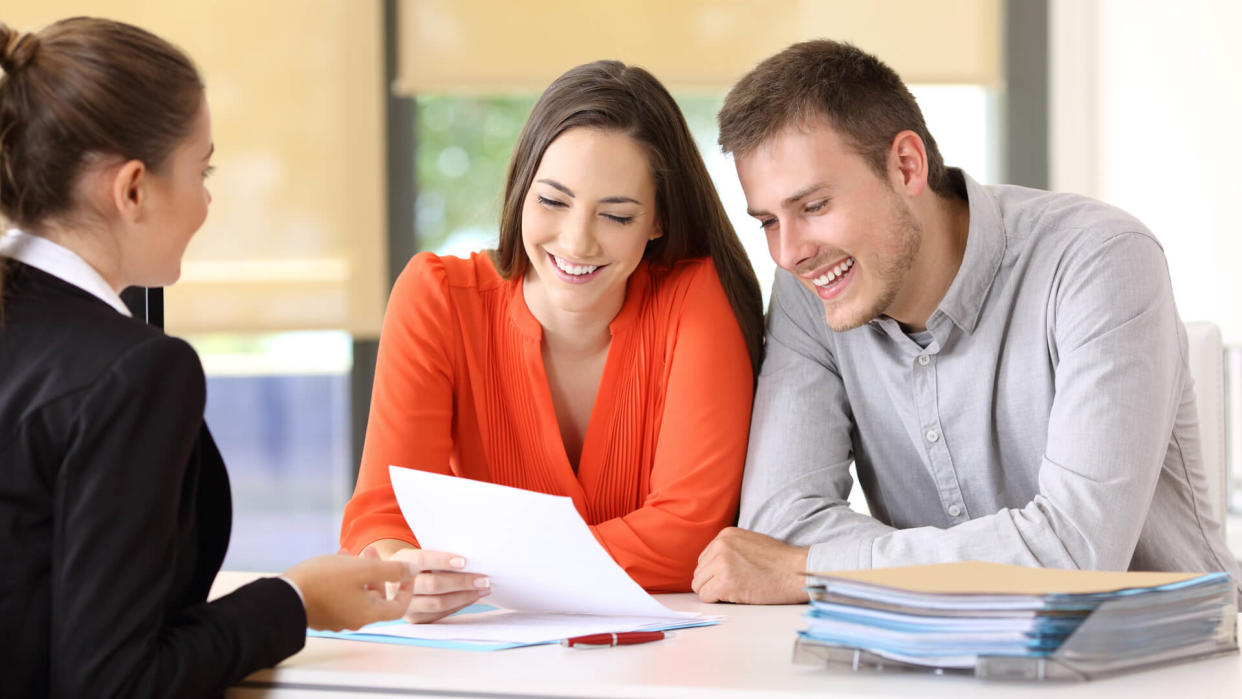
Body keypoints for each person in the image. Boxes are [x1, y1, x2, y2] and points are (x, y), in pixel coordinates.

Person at [691, 39, 1242, 604]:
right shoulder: (810, 291)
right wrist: (853, 566)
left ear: (906, 166)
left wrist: (810, 571)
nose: (789, 253)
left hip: (1163, 666)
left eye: (813, 207)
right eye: (767, 222)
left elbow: (1074, 555)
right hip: (937, 663)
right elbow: (780, 528)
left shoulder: (1100, 259)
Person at [0, 18, 416, 697]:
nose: (208, 201)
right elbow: (115, 682)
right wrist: (296, 599)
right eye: (203, 169)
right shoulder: (132, 373)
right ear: (132, 189)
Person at [339, 60, 764, 621]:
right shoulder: (436, 297)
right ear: (521, 190)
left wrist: (480, 575)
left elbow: (690, 534)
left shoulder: (695, 299)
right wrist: (401, 575)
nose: (577, 241)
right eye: (552, 202)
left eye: (615, 215)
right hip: (486, 658)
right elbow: (383, 513)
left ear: (657, 220)